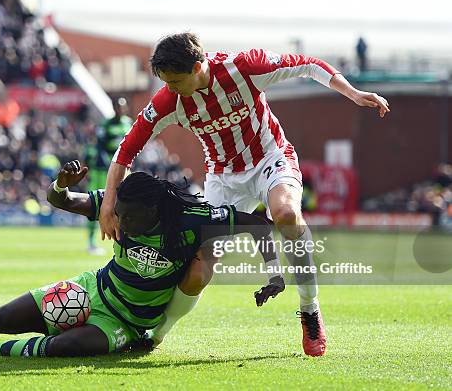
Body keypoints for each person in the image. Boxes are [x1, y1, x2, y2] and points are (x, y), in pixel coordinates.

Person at [99, 32, 391, 356]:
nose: (170, 89)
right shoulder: (171, 102)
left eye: (175, 81)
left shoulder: (245, 68)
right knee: (199, 268)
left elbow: (309, 64)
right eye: (166, 82)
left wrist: (352, 92)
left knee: (287, 215)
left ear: (198, 67)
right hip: (223, 180)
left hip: (270, 158)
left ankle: (310, 309)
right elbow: (125, 152)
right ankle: (156, 335)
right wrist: (108, 204)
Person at [0, 160, 285, 357]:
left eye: (126, 218)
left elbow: (260, 225)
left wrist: (274, 272)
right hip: (94, 292)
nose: (117, 222)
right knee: (2, 317)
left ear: (155, 213)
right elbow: (60, 201)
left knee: (59, 348)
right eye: (115, 213)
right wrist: (60, 184)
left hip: (128, 323)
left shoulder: (194, 217)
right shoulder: (116, 204)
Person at [84, 97, 134, 255]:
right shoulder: (105, 125)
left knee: (128, 203)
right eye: (118, 107)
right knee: (96, 200)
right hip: (103, 170)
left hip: (124, 169)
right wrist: (110, 167)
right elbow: (99, 147)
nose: (120, 110)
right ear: (113, 108)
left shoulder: (128, 123)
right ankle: (91, 241)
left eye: (123, 107)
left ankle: (127, 240)